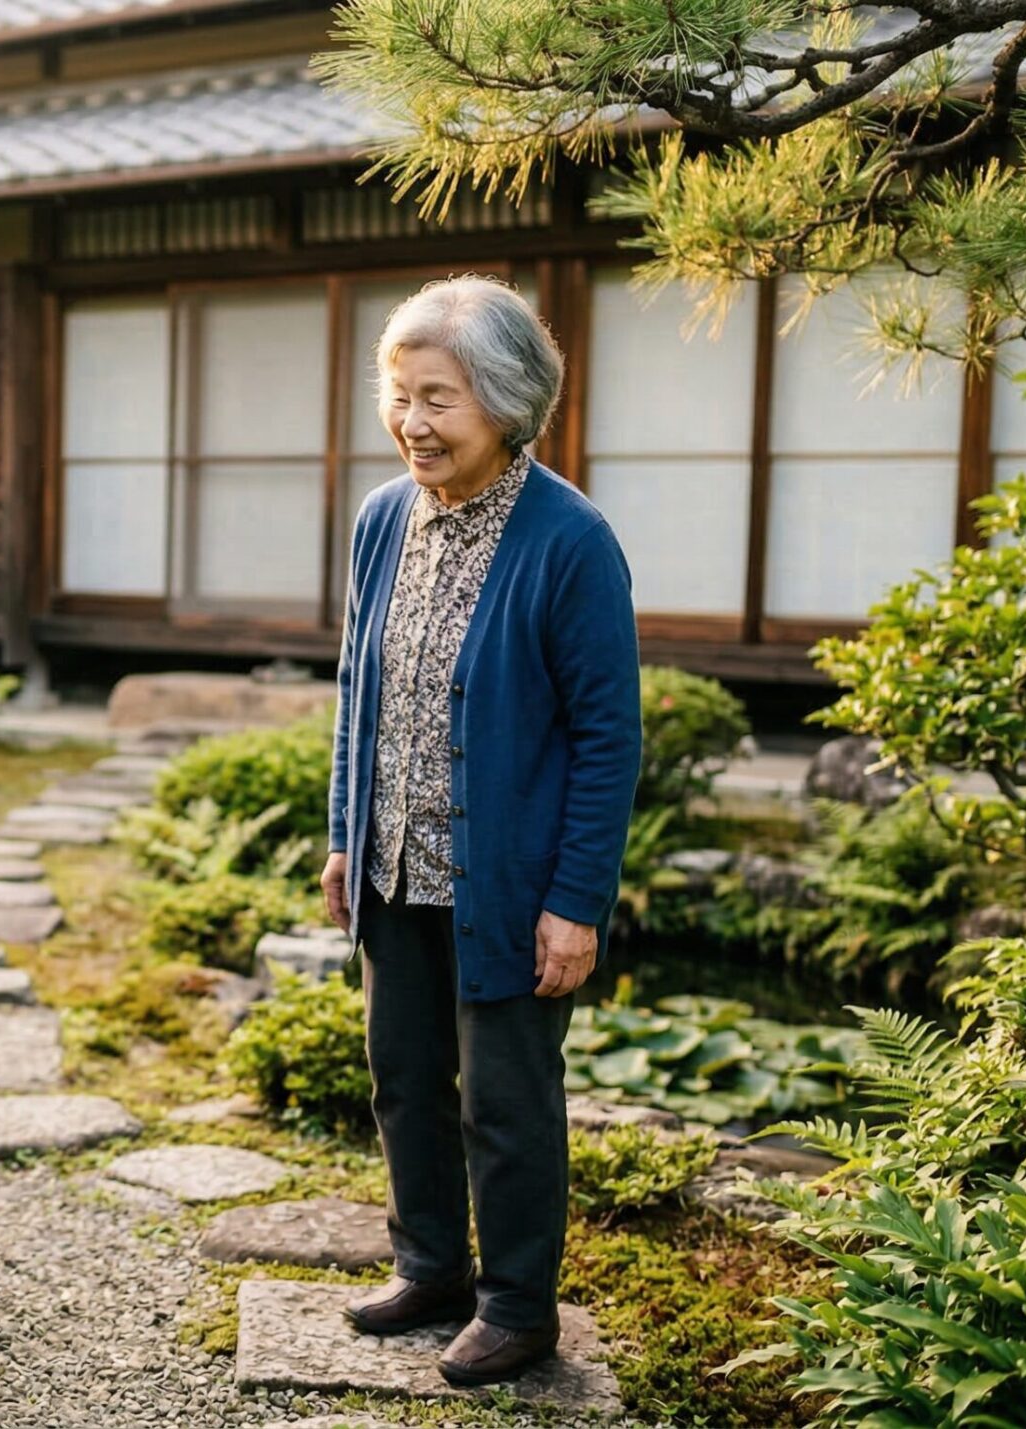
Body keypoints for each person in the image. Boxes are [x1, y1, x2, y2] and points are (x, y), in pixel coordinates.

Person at [322, 276, 641, 1386]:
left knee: (505, 1100)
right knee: (402, 1075)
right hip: (393, 860)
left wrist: (575, 901)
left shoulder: (570, 541)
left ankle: (516, 1306)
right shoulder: (379, 521)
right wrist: (339, 834)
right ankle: (430, 1267)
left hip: (506, 883)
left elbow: (609, 737)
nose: (412, 421)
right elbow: (356, 687)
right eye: (399, 394)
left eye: (438, 398)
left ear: (503, 400)